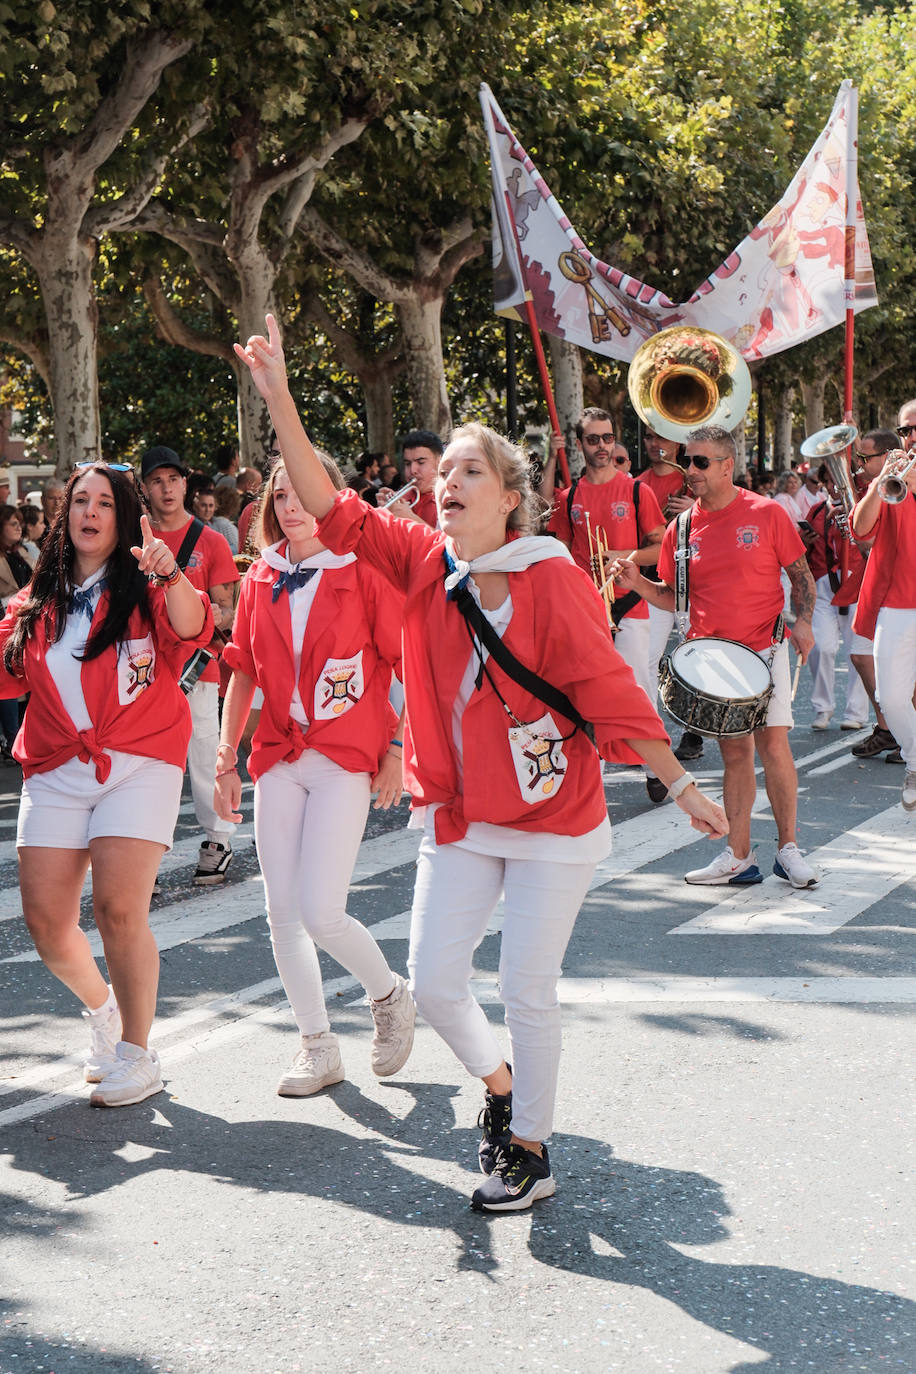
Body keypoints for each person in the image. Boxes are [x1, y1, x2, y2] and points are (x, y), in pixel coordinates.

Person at [234, 314, 727, 1214]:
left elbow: (608, 693)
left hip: (553, 821)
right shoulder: (420, 562)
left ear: (511, 495)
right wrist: (281, 398)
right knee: (435, 979)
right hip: (459, 814)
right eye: (443, 470)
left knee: (525, 986)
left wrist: (687, 786)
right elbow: (332, 503)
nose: (447, 481)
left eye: (469, 469)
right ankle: (501, 1086)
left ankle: (529, 1147)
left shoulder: (552, 577)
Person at [0, 463, 211, 1105]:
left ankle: (137, 1054)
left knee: (119, 910)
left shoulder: (146, 583)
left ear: (122, 519)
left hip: (139, 761)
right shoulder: (36, 598)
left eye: (104, 504)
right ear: (66, 517)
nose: (90, 512)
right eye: (79, 502)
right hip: (58, 764)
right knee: (46, 925)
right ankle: (103, 1011)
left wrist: (168, 568)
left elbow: (194, 626)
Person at [215, 456, 415, 1096]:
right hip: (279, 755)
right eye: (279, 494)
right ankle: (317, 1046)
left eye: (302, 492)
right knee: (280, 913)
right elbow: (242, 669)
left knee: (322, 911)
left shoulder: (363, 570)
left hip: (344, 757)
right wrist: (225, 757)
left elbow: (408, 661)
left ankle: (388, 996)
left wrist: (394, 747)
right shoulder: (262, 576)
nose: (290, 505)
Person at [612, 424, 819, 888]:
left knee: (773, 746)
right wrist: (637, 583)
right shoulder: (681, 527)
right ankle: (739, 857)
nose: (690, 470)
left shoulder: (766, 513)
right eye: (688, 461)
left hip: (765, 648)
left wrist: (803, 621)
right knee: (736, 755)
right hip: (714, 659)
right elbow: (675, 596)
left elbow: (801, 575)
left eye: (700, 462)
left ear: (727, 466)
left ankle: (789, 850)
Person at [546, 408, 668, 803]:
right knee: (584, 694)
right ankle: (589, 777)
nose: (602, 446)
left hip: (629, 602)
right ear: (580, 444)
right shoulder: (571, 497)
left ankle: (656, 767)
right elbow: (558, 547)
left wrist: (623, 554)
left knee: (638, 688)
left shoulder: (636, 491)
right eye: (594, 439)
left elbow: (661, 546)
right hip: (586, 607)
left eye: (608, 437)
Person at [141, 446, 239, 883]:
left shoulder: (212, 541)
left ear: (186, 483)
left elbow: (230, 609)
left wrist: (218, 615)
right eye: (157, 480)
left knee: (203, 756)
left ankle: (218, 840)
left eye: (173, 479)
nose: (166, 488)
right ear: (145, 488)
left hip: (198, 669)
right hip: (146, 671)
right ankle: (141, 855)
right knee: (147, 764)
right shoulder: (134, 538)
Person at [850, 402, 916, 810]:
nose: (913, 437)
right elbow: (860, 529)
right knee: (890, 698)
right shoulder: (894, 480)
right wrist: (882, 483)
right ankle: (914, 760)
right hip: (898, 602)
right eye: (908, 429)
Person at [633, 428, 704, 763]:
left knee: (693, 656)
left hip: (695, 578)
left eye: (661, 437)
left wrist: (695, 508)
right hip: (656, 579)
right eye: (648, 437)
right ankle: (652, 735)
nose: (654, 444)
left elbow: (721, 514)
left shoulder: (695, 478)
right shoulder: (637, 483)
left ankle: (694, 731)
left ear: (678, 443)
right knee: (647, 659)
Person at [848, 429, 906, 762]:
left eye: (864, 458)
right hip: (882, 594)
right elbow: (860, 530)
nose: (859, 463)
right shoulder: (876, 483)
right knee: (882, 680)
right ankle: (891, 730)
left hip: (902, 595)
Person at [802, 463, 869, 731]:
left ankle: (856, 712)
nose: (832, 486)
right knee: (821, 647)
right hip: (824, 588)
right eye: (828, 481)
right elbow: (802, 550)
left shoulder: (864, 506)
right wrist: (804, 539)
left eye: (836, 480)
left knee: (858, 652)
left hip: (856, 585)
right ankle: (823, 707)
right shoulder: (818, 511)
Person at [0, 505, 36, 762]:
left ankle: (21, 735)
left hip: (28, 624)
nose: (18, 527)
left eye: (19, 522)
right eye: (11, 522)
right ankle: (12, 737)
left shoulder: (22, 553)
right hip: (8, 624)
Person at [379, 430, 442, 527]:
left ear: (439, 462)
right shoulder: (400, 499)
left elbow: (451, 542)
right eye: (407, 464)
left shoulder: (450, 499)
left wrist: (411, 518)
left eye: (421, 462)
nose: (413, 470)